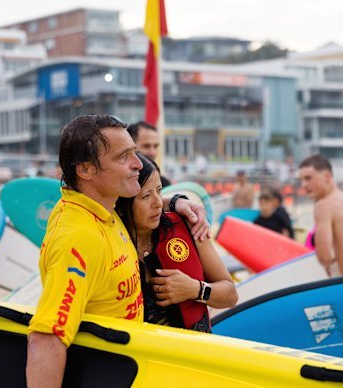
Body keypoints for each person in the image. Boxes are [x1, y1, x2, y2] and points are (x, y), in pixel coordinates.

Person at [26, 115, 209, 387]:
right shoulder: (79, 237)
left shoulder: (102, 208)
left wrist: (176, 202)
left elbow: (143, 200)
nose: (138, 164)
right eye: (124, 157)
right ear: (86, 170)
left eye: (135, 152)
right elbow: (47, 337)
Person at [116, 153, 237, 332]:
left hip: (191, 351)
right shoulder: (109, 239)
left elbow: (231, 295)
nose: (157, 203)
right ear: (122, 204)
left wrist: (195, 289)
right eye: (146, 196)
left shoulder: (188, 226)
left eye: (159, 191)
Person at [127, 121, 171, 186]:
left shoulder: (164, 184)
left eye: (155, 146)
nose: (152, 153)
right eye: (146, 146)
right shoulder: (120, 184)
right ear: (130, 146)